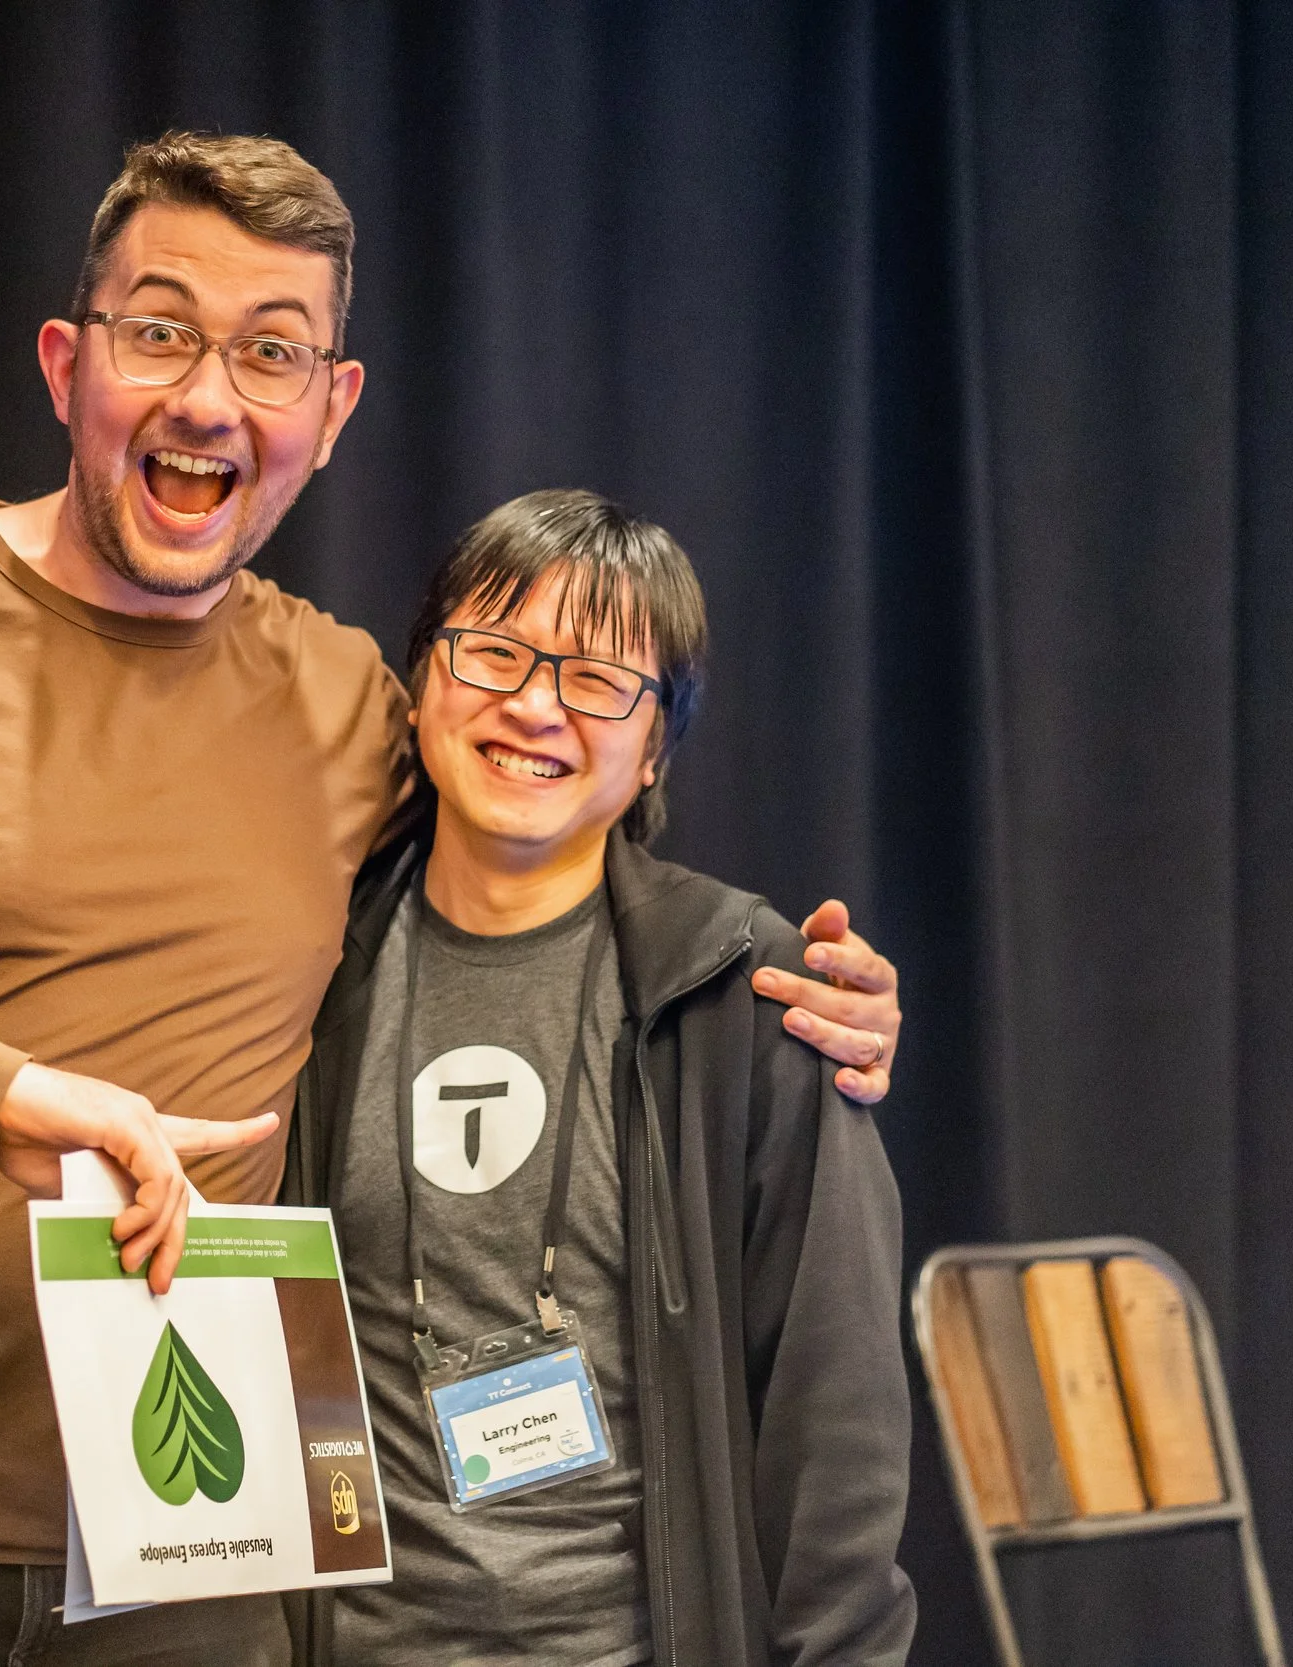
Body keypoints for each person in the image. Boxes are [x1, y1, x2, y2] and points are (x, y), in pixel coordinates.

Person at [0, 134, 903, 1667]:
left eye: (272, 352)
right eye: (160, 331)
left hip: (198, 1550)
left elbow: (544, 807)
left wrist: (797, 992)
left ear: (331, 408)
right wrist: (2, 1093)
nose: (210, 396)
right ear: (66, 364)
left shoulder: (347, 701)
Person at [281, 491, 915, 1667]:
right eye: (496, 652)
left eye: (596, 678)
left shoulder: (746, 989)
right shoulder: (307, 966)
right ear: (423, 678)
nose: (532, 703)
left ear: (656, 743)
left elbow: (836, 1410)